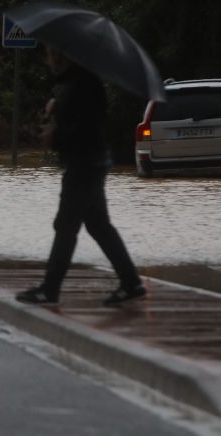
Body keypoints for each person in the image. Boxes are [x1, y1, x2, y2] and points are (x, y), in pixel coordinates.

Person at [16, 46, 146, 306]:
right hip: (91, 162)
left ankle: (49, 290)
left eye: (51, 54)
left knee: (65, 226)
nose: (48, 59)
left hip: (84, 165)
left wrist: (55, 136)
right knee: (98, 226)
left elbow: (84, 130)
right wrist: (57, 108)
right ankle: (131, 282)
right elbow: (78, 121)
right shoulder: (79, 82)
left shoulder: (82, 85)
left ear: (63, 56)